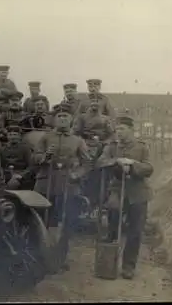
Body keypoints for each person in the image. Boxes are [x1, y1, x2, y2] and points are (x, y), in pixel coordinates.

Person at [33, 103, 91, 272]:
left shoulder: (78, 141)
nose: (63, 119)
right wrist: (45, 156)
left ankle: (59, 257)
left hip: (67, 186)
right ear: (54, 120)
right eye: (59, 116)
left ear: (71, 119)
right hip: (45, 185)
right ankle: (41, 256)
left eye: (66, 116)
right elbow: (35, 158)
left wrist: (77, 174)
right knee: (42, 221)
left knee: (65, 222)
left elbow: (87, 163)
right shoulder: (45, 137)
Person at [96, 114, 153, 279]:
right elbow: (100, 162)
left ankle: (128, 266)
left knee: (135, 231)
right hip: (117, 190)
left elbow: (149, 168)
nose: (118, 132)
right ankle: (108, 262)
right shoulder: (111, 147)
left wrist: (132, 165)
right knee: (113, 224)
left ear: (131, 130)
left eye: (122, 129)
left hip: (138, 193)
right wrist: (117, 161)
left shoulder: (142, 147)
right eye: (117, 129)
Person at [0, 123, 34, 190]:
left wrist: (21, 175)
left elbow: (31, 166)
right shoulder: (2, 149)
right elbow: (0, 165)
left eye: (15, 135)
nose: (13, 137)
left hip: (20, 176)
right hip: (6, 175)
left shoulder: (25, 148)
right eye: (10, 135)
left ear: (19, 136)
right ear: (7, 136)